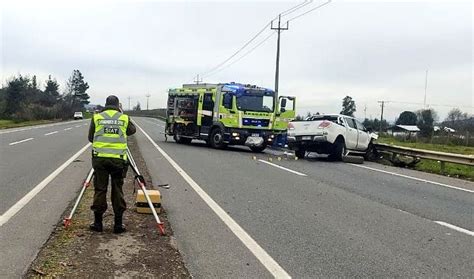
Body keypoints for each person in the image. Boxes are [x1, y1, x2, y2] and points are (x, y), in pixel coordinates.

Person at [88, 95, 136, 233]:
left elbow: (91, 138)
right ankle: (118, 224)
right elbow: (132, 130)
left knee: (100, 189)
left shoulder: (97, 117)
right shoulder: (123, 118)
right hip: (118, 160)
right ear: (118, 105)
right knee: (117, 190)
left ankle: (98, 223)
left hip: (100, 159)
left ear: (105, 104)